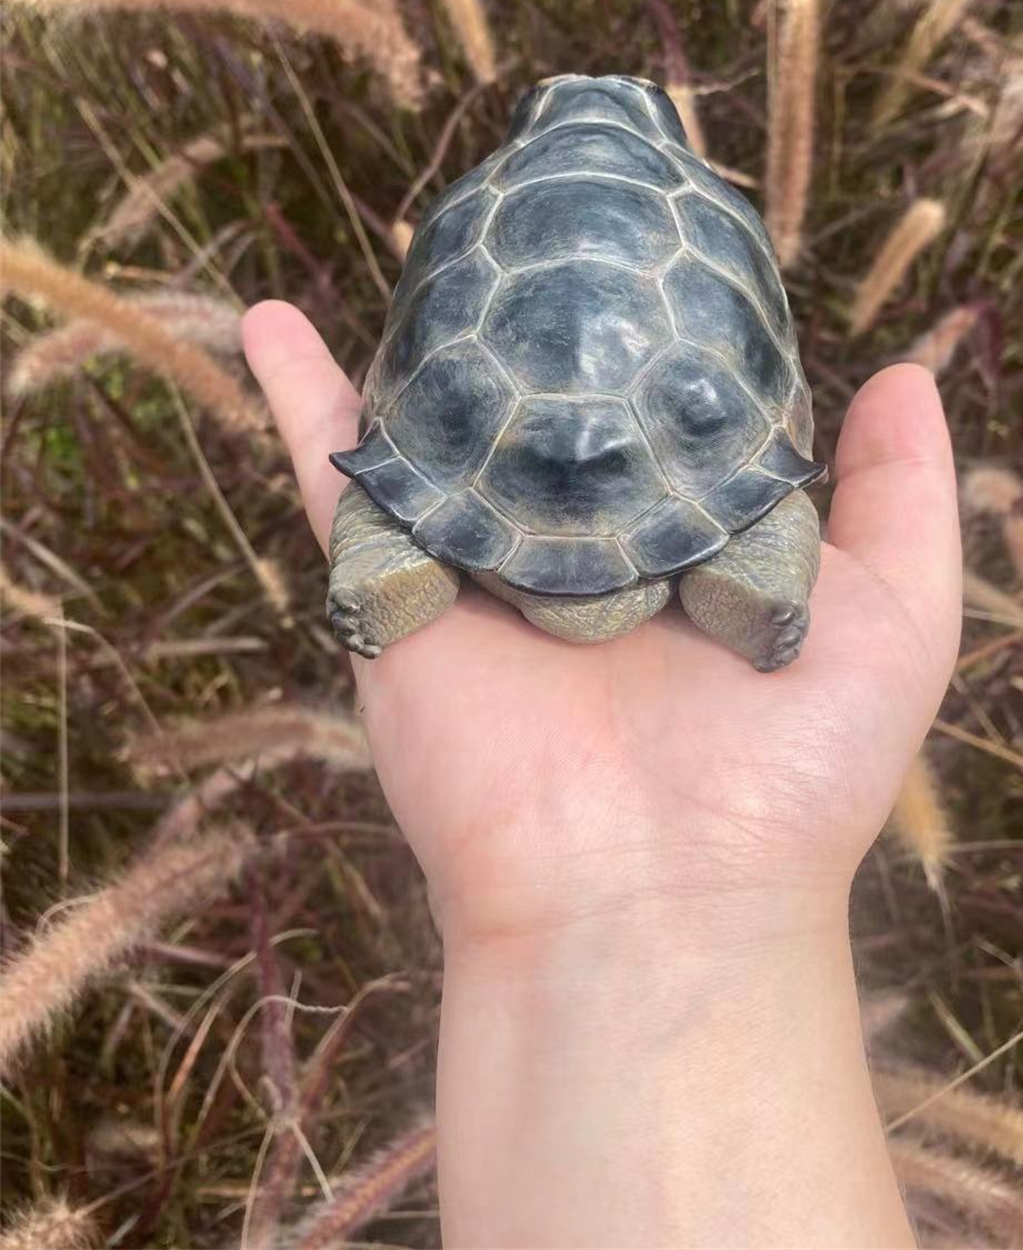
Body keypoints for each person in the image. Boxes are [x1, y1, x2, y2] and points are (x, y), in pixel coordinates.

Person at [243, 298, 962, 1250]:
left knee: (392, 501)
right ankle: (746, 579)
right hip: (693, 531)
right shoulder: (711, 209)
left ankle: (393, 565)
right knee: (763, 506)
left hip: (468, 536)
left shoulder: (475, 201)